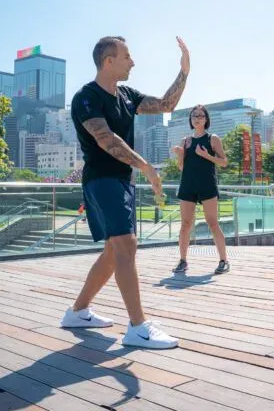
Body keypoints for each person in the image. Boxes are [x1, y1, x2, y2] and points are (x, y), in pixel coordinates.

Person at [60, 35, 191, 349]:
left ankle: (77, 311)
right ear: (108, 61)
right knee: (126, 245)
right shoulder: (86, 98)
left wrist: (184, 72)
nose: (133, 62)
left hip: (122, 181)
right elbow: (107, 141)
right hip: (102, 179)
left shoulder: (128, 95)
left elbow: (166, 104)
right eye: (127, 56)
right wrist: (146, 166)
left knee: (112, 253)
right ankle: (137, 327)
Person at [171, 105, 230, 275]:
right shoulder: (185, 141)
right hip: (188, 185)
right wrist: (180, 154)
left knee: (213, 223)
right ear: (191, 119)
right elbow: (181, 167)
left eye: (201, 115)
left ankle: (224, 260)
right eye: (194, 115)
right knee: (185, 224)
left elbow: (224, 162)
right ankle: (183, 261)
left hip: (207, 184)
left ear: (206, 119)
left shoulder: (213, 139)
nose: (197, 118)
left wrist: (207, 156)